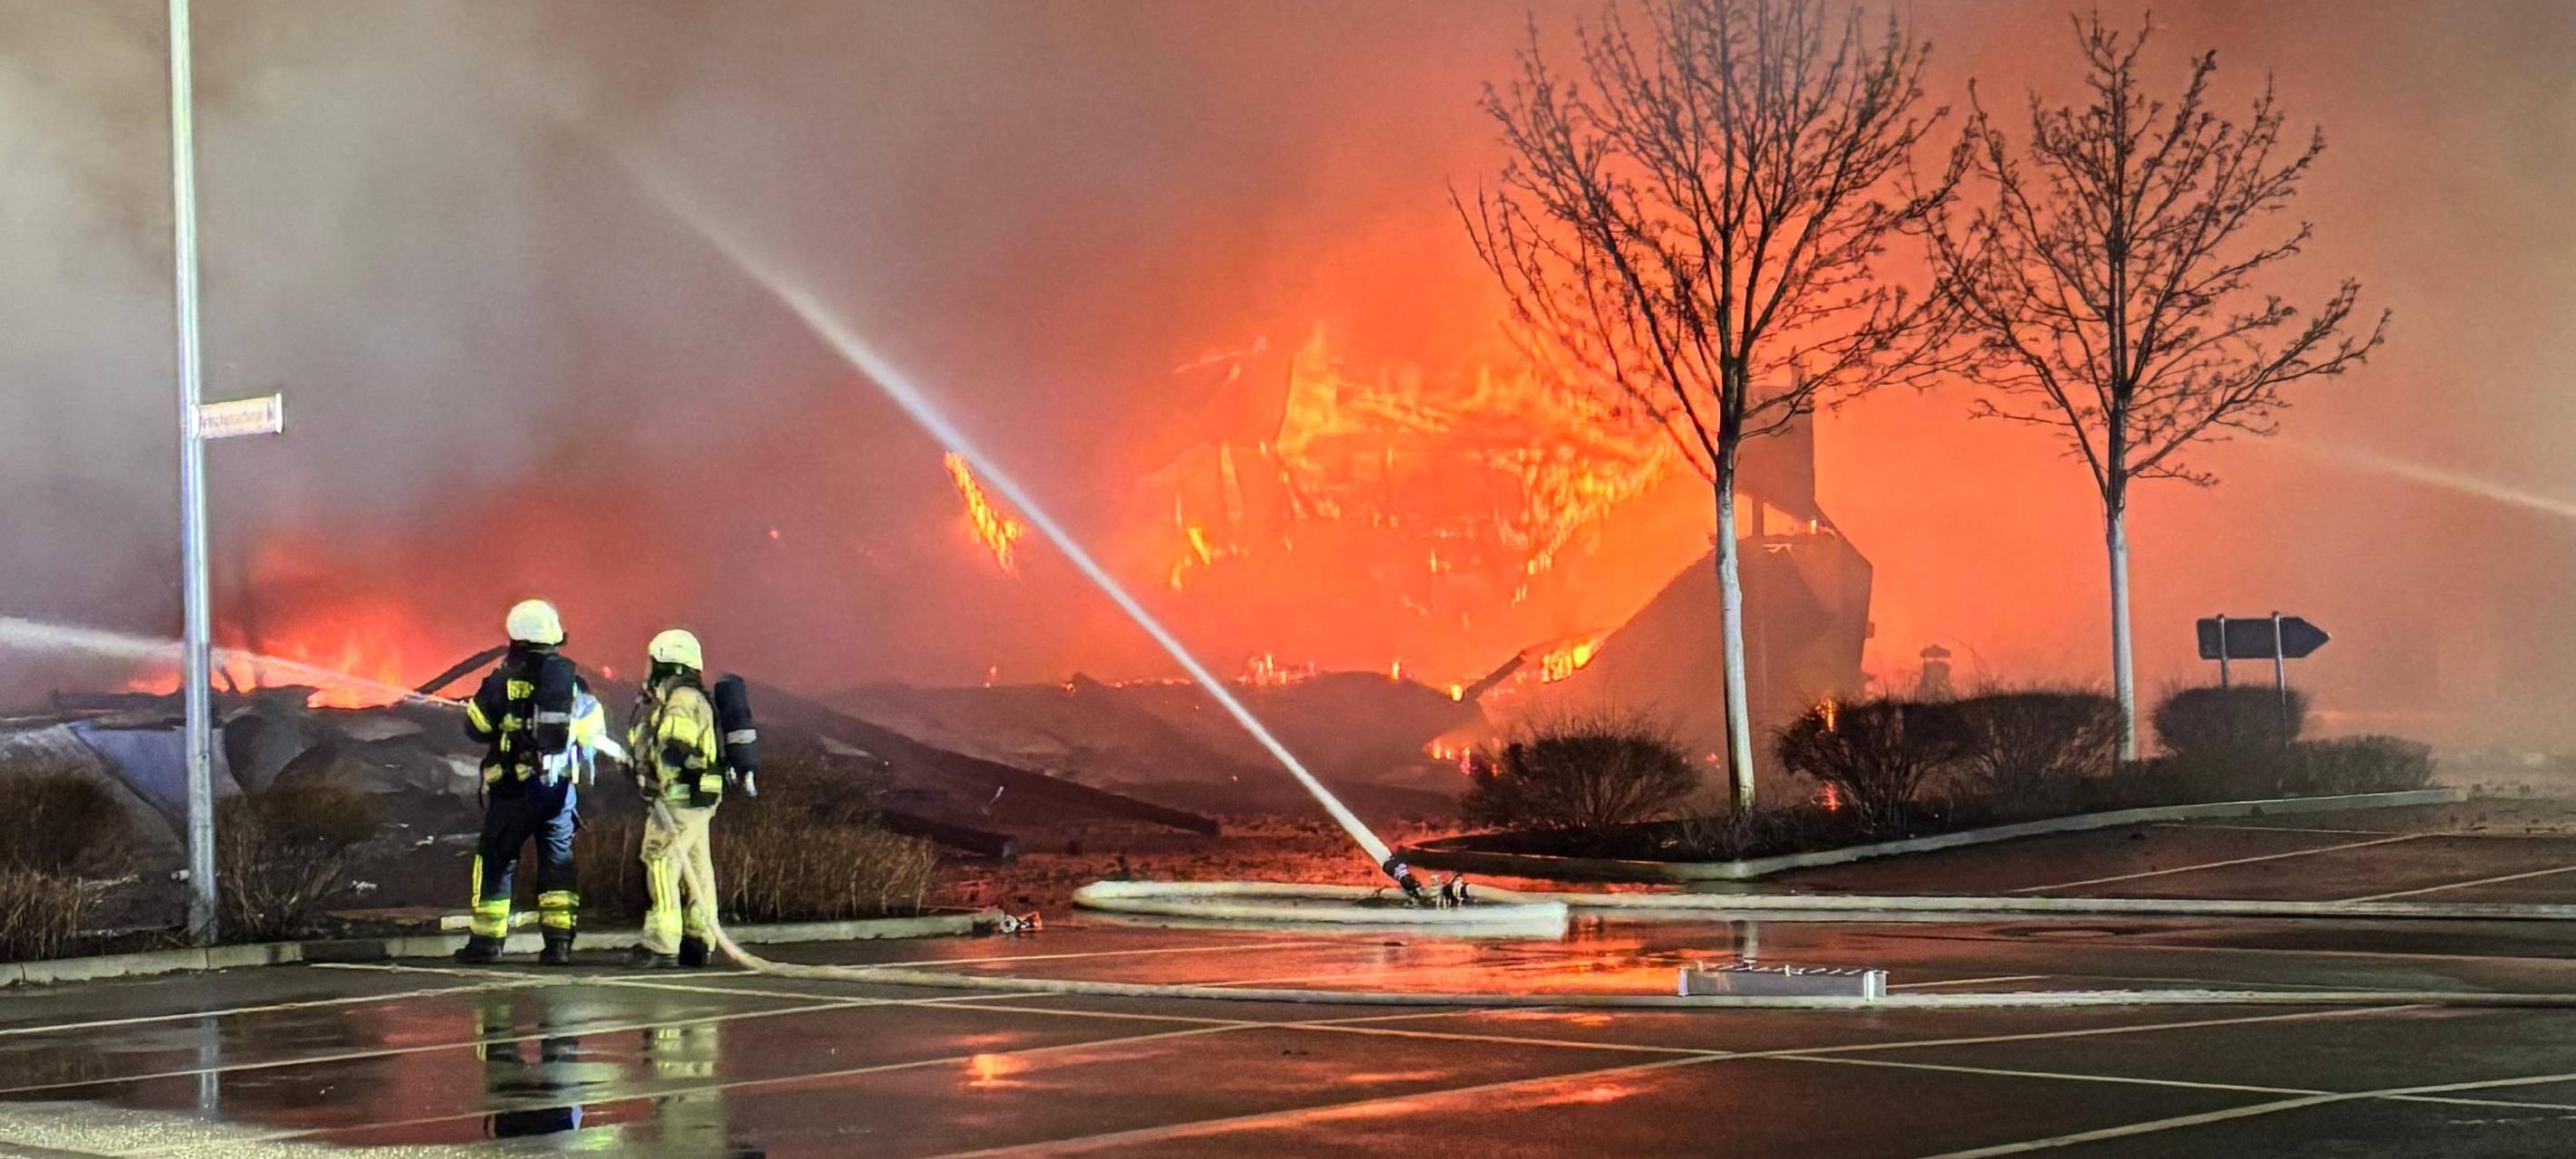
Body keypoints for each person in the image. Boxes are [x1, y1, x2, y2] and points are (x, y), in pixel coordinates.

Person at [457, 599, 605, 966]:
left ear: (515, 638)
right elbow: (591, 730)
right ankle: (558, 944)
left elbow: (476, 728)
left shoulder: (502, 679)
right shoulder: (572, 682)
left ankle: (487, 943)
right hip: (559, 791)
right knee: (557, 862)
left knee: (497, 859)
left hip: (514, 789)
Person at [626, 627, 725, 969]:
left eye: (655, 662)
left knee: (660, 858)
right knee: (696, 865)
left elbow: (675, 742)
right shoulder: (689, 696)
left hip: (679, 795)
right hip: (698, 795)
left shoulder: (680, 698)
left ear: (669, 663)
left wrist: (655, 767)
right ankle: (698, 938)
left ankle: (661, 944)